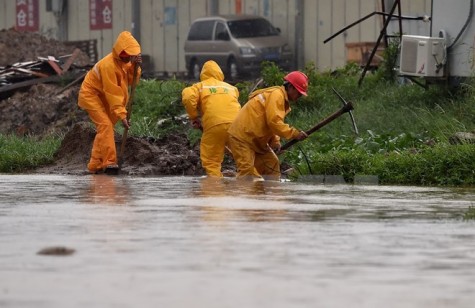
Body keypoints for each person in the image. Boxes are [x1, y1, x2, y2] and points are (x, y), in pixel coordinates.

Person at [78, 31, 142, 174]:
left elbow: (131, 82)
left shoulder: (124, 63)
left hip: (103, 96)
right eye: (128, 55)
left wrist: (134, 67)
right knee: (105, 125)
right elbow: (113, 93)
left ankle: (95, 164)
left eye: (132, 56)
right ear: (120, 52)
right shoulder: (109, 66)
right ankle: (110, 162)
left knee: (104, 129)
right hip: (91, 95)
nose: (129, 58)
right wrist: (122, 115)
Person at [227, 71, 309, 181]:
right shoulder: (277, 95)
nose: (299, 96)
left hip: (256, 141)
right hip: (242, 137)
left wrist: (275, 142)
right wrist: (295, 134)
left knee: (272, 166)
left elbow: (272, 123)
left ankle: (273, 196)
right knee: (247, 173)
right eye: (298, 93)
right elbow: (274, 122)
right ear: (290, 87)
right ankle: (244, 196)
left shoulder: (280, 98)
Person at [182, 60, 241, 177]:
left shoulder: (199, 87)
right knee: (244, 159)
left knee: (211, 162)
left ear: (202, 74)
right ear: (220, 73)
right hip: (237, 126)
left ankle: (214, 190)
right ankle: (255, 185)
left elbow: (188, 98)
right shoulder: (231, 88)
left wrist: (194, 117)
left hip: (214, 125)